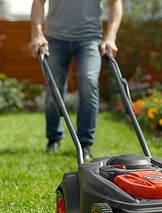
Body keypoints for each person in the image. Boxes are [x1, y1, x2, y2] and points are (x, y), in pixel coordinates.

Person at [28, 0, 123, 159]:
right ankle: (53, 139)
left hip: (90, 38)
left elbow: (115, 3)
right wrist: (37, 34)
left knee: (89, 81)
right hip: (55, 38)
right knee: (54, 89)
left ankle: (85, 143)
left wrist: (110, 37)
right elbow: (38, 2)